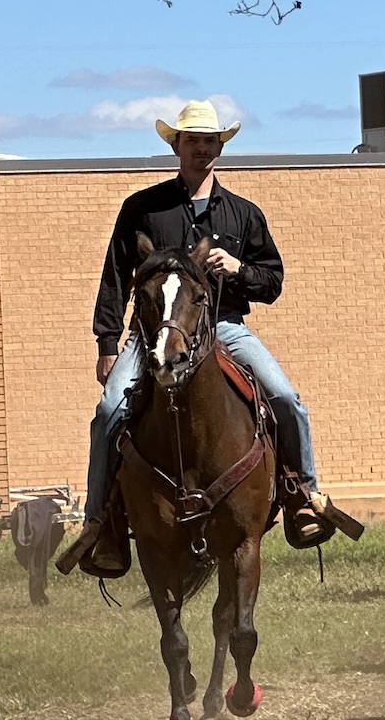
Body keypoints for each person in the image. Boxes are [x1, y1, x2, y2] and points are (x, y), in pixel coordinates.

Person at [59, 99, 344, 577]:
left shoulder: (243, 214)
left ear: (221, 146)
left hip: (226, 328)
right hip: (150, 335)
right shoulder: (142, 209)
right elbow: (114, 277)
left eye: (210, 141)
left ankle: (301, 496)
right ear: (176, 145)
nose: (202, 149)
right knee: (108, 411)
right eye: (192, 141)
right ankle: (101, 523)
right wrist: (108, 344)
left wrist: (238, 269)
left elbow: (271, 281)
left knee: (286, 399)